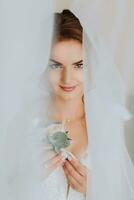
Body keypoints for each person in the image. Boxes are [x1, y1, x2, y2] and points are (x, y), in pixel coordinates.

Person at [42, 9, 89, 200]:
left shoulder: (109, 124)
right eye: (55, 65)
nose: (67, 78)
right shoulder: (20, 124)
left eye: (79, 65)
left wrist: (97, 191)